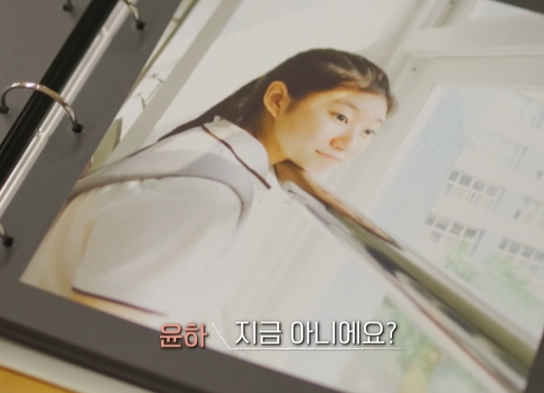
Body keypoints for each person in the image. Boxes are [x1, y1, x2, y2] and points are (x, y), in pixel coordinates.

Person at [21, 48, 396, 323]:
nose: (349, 144)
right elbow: (97, 333)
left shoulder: (210, 145)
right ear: (278, 99)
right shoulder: (207, 197)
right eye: (340, 117)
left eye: (368, 132)